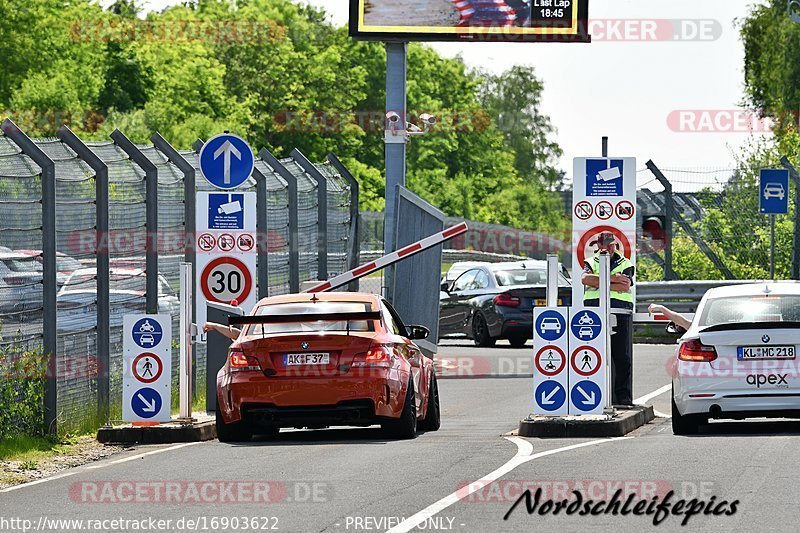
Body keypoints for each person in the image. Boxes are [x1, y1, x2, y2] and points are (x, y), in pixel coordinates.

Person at [581, 232, 635, 406]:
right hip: (594, 314)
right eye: (604, 244)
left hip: (620, 312)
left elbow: (625, 285)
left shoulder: (626, 263)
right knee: (594, 355)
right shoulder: (590, 262)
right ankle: (594, 394)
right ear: (598, 245)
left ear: (615, 244)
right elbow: (585, 279)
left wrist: (598, 281)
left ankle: (623, 397)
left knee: (622, 356)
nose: (607, 248)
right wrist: (612, 278)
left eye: (610, 244)